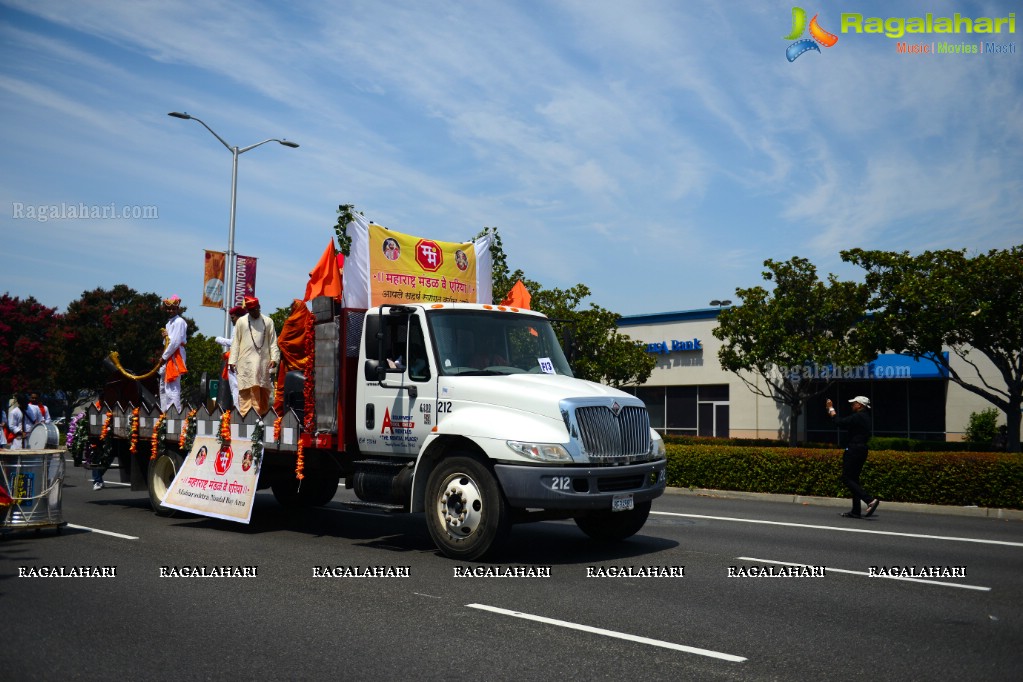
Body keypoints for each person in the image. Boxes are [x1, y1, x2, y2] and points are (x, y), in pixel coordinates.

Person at [827, 395, 880, 519]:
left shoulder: (858, 416)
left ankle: (870, 500)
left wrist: (831, 409)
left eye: (854, 403)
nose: (852, 405)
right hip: (862, 449)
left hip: (854, 449)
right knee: (854, 479)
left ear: (860, 405)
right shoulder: (865, 417)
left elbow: (839, 422)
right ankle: (856, 511)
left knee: (846, 478)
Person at [229, 296, 280, 416]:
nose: (254, 312)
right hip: (245, 363)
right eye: (251, 310)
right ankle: (246, 419)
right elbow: (236, 342)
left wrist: (274, 359)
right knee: (246, 390)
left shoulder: (268, 321)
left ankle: (261, 419)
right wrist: (232, 360)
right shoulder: (241, 322)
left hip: (263, 363)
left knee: (263, 392)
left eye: (256, 309)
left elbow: (273, 342)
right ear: (248, 310)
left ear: (259, 307)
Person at [159, 295, 188, 412]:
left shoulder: (179, 321)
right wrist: (166, 336)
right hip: (169, 354)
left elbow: (175, 342)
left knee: (173, 387)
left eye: (173, 308)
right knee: (163, 386)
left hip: (175, 356)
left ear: (177, 309)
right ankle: (164, 414)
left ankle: (174, 415)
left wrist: (164, 357)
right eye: (168, 308)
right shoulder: (169, 323)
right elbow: (168, 342)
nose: (170, 310)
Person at [215, 306, 245, 408]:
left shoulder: (238, 326)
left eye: (233, 318)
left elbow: (233, 342)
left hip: (236, 360)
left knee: (235, 388)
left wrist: (219, 339)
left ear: (238, 317)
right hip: (243, 360)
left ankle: (238, 412)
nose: (231, 320)